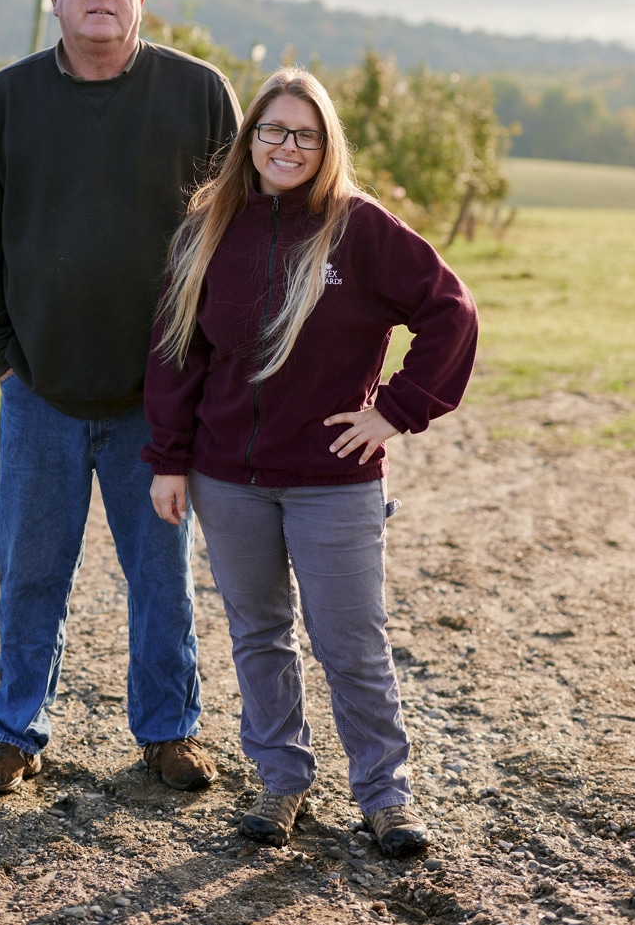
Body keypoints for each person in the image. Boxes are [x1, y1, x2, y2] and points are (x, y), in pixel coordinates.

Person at [142, 67, 478, 852]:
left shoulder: (359, 229)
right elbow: (175, 352)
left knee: (349, 641)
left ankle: (386, 794)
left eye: (306, 133)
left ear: (328, 145)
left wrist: (394, 409)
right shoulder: (207, 228)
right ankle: (282, 781)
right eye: (273, 130)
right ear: (249, 139)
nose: (287, 145)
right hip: (229, 478)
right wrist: (169, 457)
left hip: (333, 481)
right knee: (259, 633)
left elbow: (450, 311)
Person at [0, 0, 240, 794]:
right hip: (38, 390)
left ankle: (169, 731)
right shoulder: (6, 101)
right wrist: (1, 355)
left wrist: (211, 367)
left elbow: (235, 234)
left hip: (157, 398)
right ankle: (16, 730)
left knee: (161, 577)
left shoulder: (197, 93)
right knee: (30, 572)